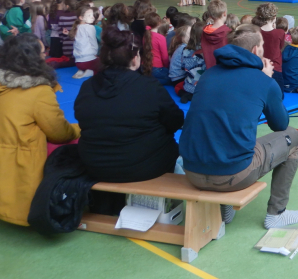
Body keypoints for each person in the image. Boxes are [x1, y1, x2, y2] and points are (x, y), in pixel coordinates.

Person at [180, 25, 298, 228]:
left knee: (226, 136)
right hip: (233, 175)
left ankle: (224, 209)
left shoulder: (209, 74)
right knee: (295, 138)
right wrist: (268, 81)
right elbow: (281, 124)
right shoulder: (263, 81)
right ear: (256, 49)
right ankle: (277, 213)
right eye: (262, 45)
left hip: (192, 171)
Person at [75, 28, 184, 183]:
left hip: (95, 166)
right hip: (147, 166)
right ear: (135, 59)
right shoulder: (149, 87)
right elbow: (176, 120)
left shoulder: (87, 87)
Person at [0, 34, 80, 226]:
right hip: (23, 164)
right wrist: (79, 129)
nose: (45, 56)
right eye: (42, 53)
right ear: (32, 58)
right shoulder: (38, 91)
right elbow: (59, 133)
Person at [252, 3, 286, 93]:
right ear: (274, 17)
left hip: (259, 66)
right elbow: (281, 47)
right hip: (275, 67)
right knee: (278, 94)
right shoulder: (280, 32)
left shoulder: (256, 32)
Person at [68, 5, 99, 78]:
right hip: (89, 61)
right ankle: (90, 72)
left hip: (78, 63)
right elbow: (93, 42)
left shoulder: (77, 27)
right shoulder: (90, 27)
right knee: (103, 66)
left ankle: (81, 70)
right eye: (89, 15)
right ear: (81, 18)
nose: (93, 17)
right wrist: (95, 53)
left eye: (92, 15)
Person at [179, 21, 206, 104]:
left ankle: (188, 95)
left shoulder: (185, 50)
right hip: (202, 89)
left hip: (188, 86)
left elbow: (183, 67)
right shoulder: (206, 52)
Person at [201, 0, 231, 69]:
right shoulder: (228, 32)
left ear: (210, 16)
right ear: (224, 13)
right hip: (224, 69)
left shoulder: (205, 31)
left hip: (209, 69)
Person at [144, 13, 171, 85]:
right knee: (173, 79)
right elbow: (165, 57)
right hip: (157, 68)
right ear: (159, 23)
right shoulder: (160, 38)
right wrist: (166, 67)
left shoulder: (144, 36)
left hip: (144, 66)